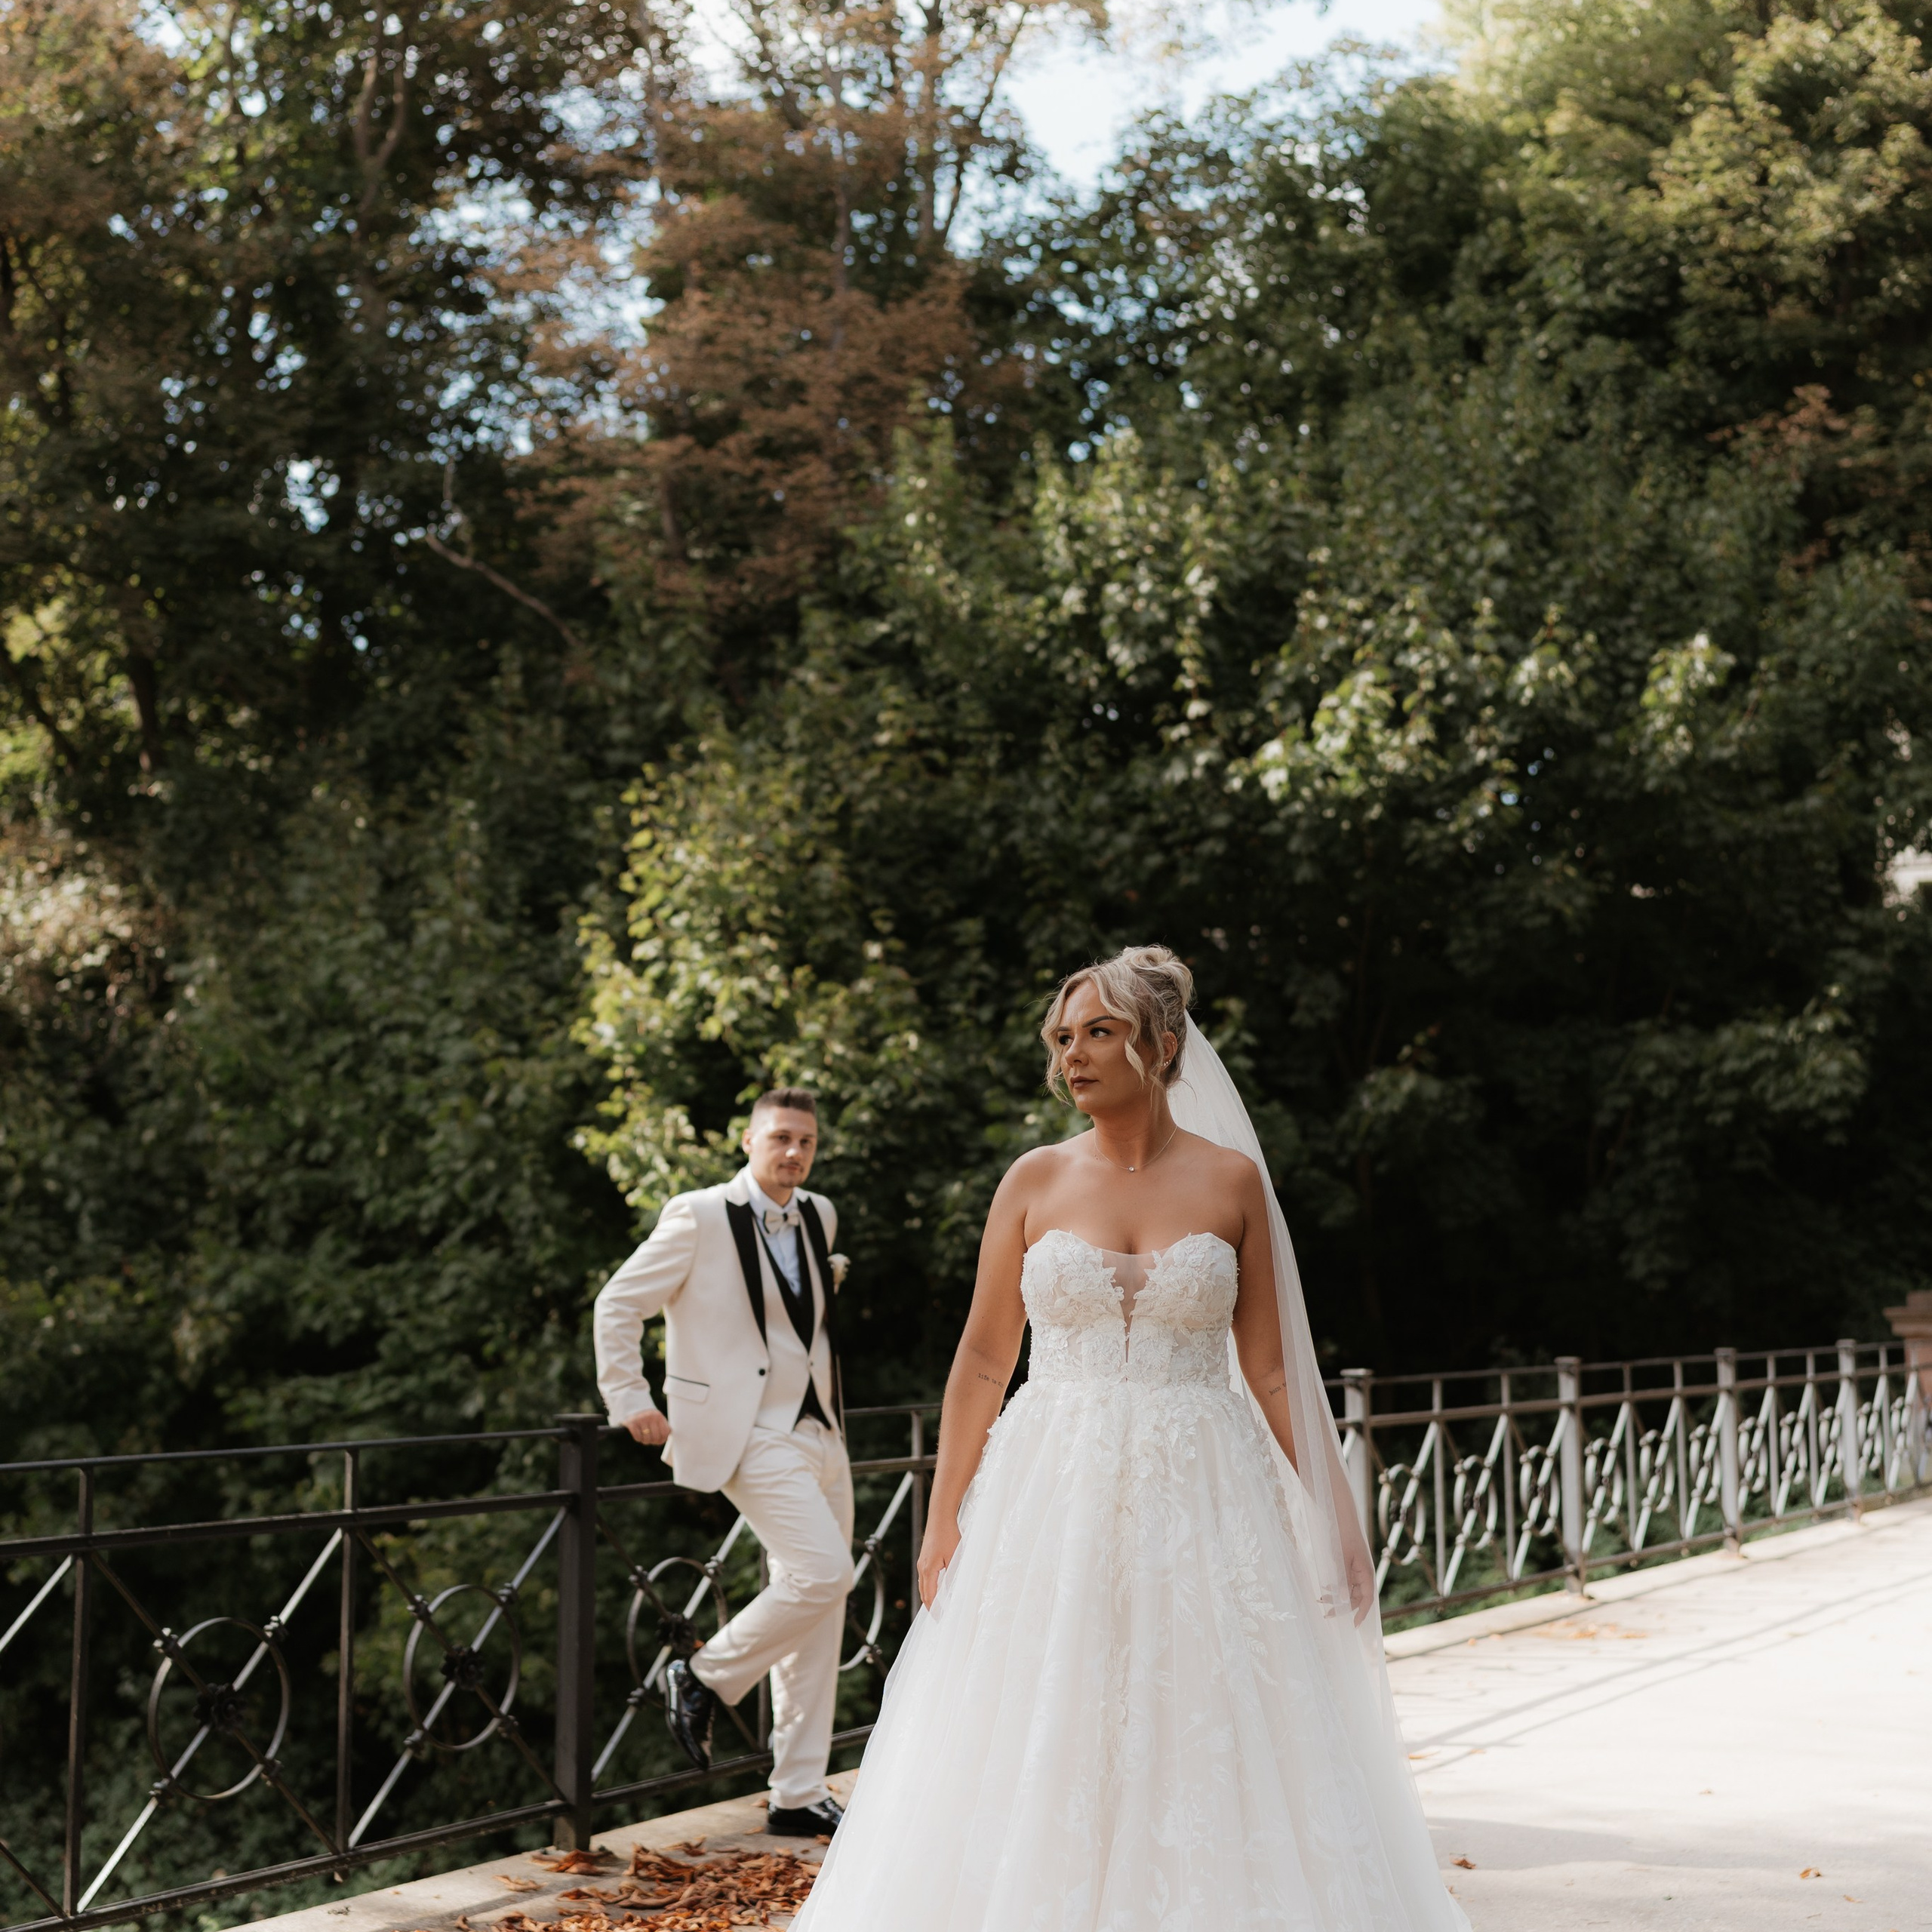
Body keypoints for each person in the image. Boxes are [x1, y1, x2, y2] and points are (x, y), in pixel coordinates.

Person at [792, 947, 1469, 1930]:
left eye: (1099, 1032)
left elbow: (1273, 1371)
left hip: (1205, 1487)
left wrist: (1336, 1514)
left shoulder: (1235, 1183)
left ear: (1159, 1044)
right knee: (1049, 1708)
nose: (1073, 1054)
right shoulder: (1032, 1180)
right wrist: (941, 1521)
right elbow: (984, 1360)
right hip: (1051, 1492)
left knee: (1204, 1712)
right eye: (1063, 1037)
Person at [592, 1086, 851, 1839]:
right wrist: (628, 1397)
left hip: (823, 1432)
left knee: (820, 1608)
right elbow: (617, 1302)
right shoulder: (699, 1215)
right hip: (749, 1432)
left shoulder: (818, 1214)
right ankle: (702, 1674)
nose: (794, 1152)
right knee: (824, 1572)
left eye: (805, 1140)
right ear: (748, 1140)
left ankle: (798, 1793)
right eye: (780, 1138)